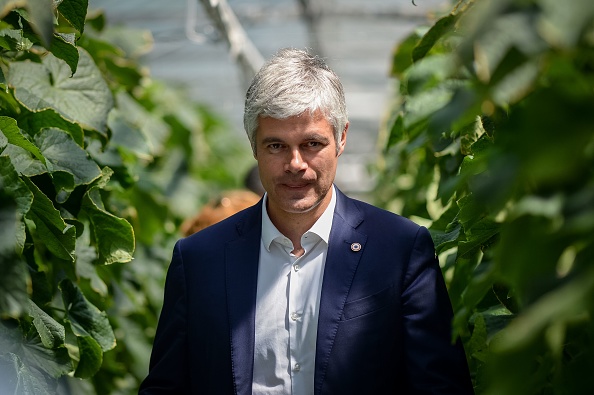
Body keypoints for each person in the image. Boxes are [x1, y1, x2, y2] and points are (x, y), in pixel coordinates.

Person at [139, 48, 473, 395]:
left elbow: (441, 386)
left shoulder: (399, 251)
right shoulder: (199, 260)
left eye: (312, 143)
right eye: (276, 146)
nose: (295, 163)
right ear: (254, 146)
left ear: (341, 138)